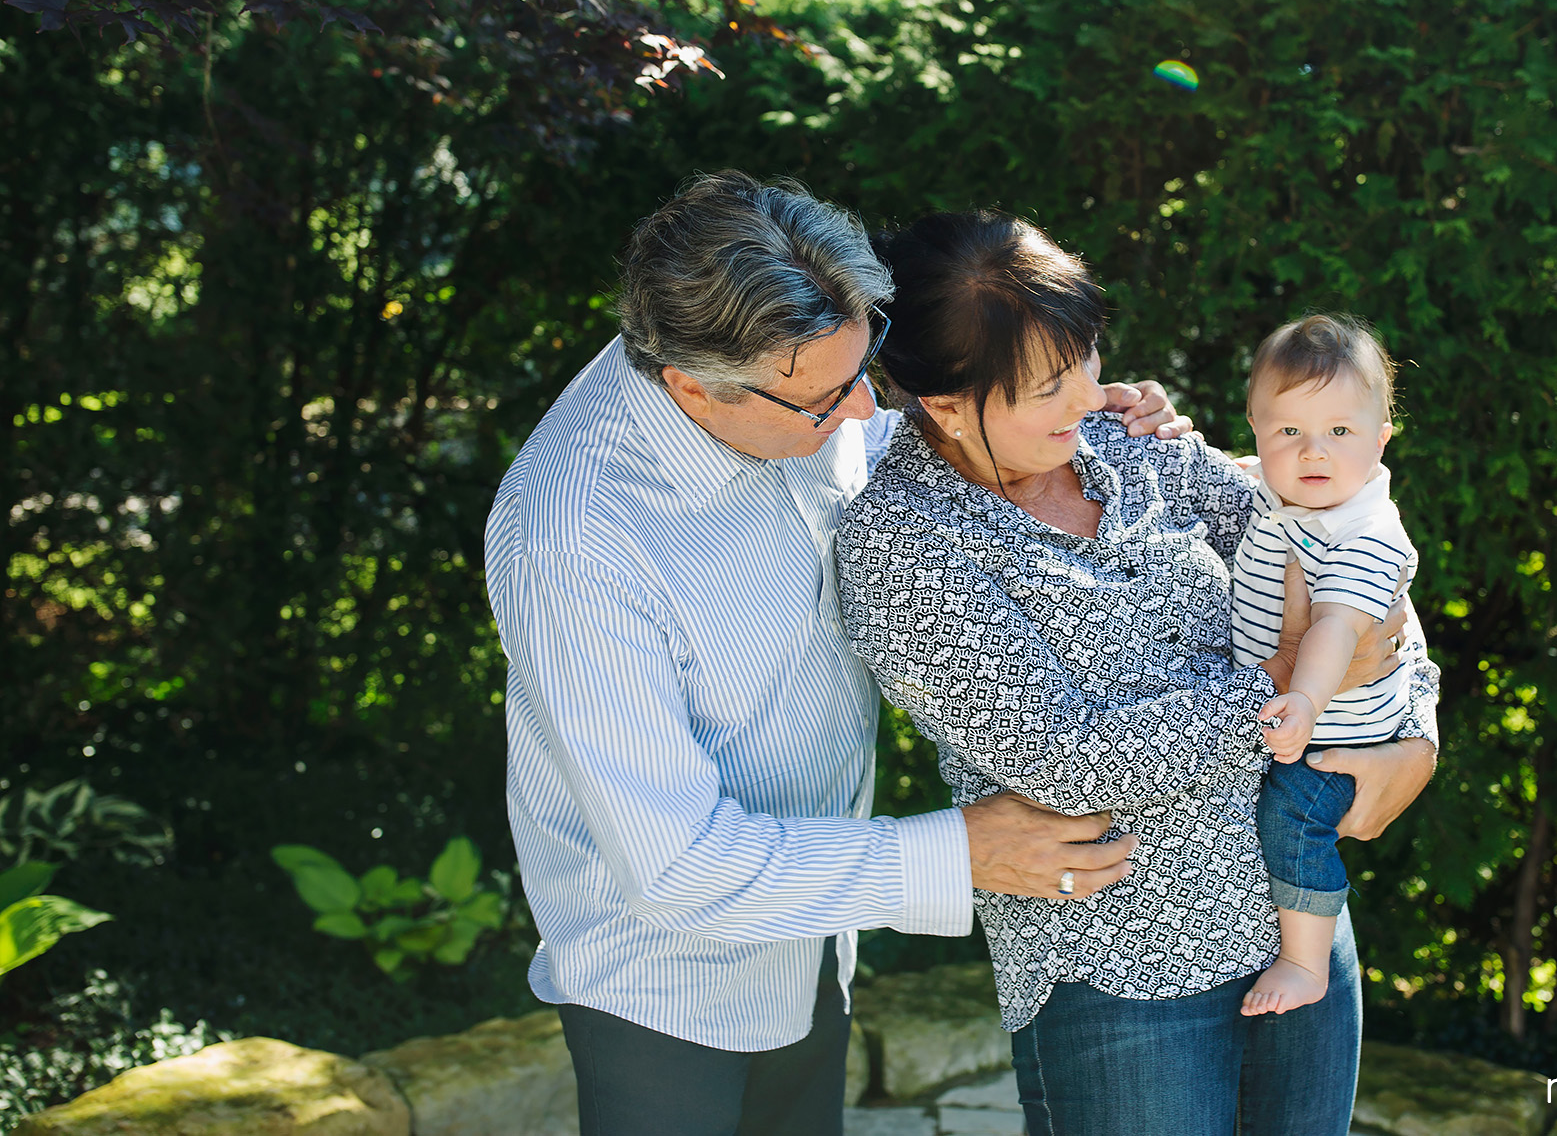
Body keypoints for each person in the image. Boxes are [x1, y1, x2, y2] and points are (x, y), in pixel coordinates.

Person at [482, 171, 1195, 1136]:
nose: (865, 412)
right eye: (827, 400)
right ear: (692, 383)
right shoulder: (573, 535)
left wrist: (1056, 411)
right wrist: (962, 851)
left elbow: (902, 432)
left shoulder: (792, 385)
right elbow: (680, 866)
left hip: (815, 936)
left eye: (867, 369)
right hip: (662, 986)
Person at [834, 210, 1440, 1136]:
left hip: (1297, 923)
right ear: (945, 404)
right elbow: (1066, 759)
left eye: (1084, 355)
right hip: (1124, 970)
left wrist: (1416, 730)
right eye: (1046, 383)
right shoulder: (904, 544)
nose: (1085, 393)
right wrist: (1281, 689)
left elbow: (1349, 553)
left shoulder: (1128, 442)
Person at [1234, 315, 1421, 1017]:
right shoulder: (1282, 492)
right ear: (1255, 430)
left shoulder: (1366, 532)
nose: (1314, 451)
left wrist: (1306, 699)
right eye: (1289, 431)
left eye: (1340, 432)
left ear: (1380, 439)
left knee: (1291, 818)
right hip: (1306, 716)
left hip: (1341, 735)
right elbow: (1238, 471)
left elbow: (1337, 627)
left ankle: (1307, 962)